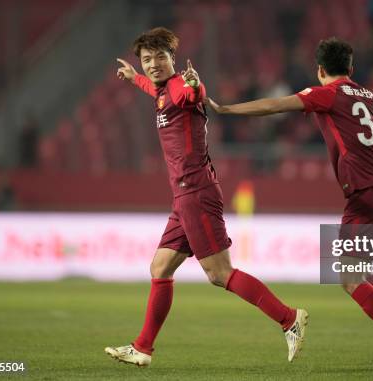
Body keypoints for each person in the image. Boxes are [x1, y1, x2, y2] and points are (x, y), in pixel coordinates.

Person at [208, 37, 373, 372]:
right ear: (351, 68)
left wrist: (227, 109)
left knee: (348, 276)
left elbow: (274, 106)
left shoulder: (326, 93)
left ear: (320, 69)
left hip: (365, 194)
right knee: (361, 271)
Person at [105, 27, 307, 367]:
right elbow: (153, 88)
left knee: (219, 274)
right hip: (184, 195)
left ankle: (289, 318)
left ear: (173, 59)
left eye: (160, 58)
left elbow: (192, 94)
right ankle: (143, 347)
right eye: (146, 60)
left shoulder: (181, 87)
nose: (153, 65)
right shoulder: (160, 89)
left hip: (195, 192)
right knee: (160, 267)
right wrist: (132, 77)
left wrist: (196, 85)